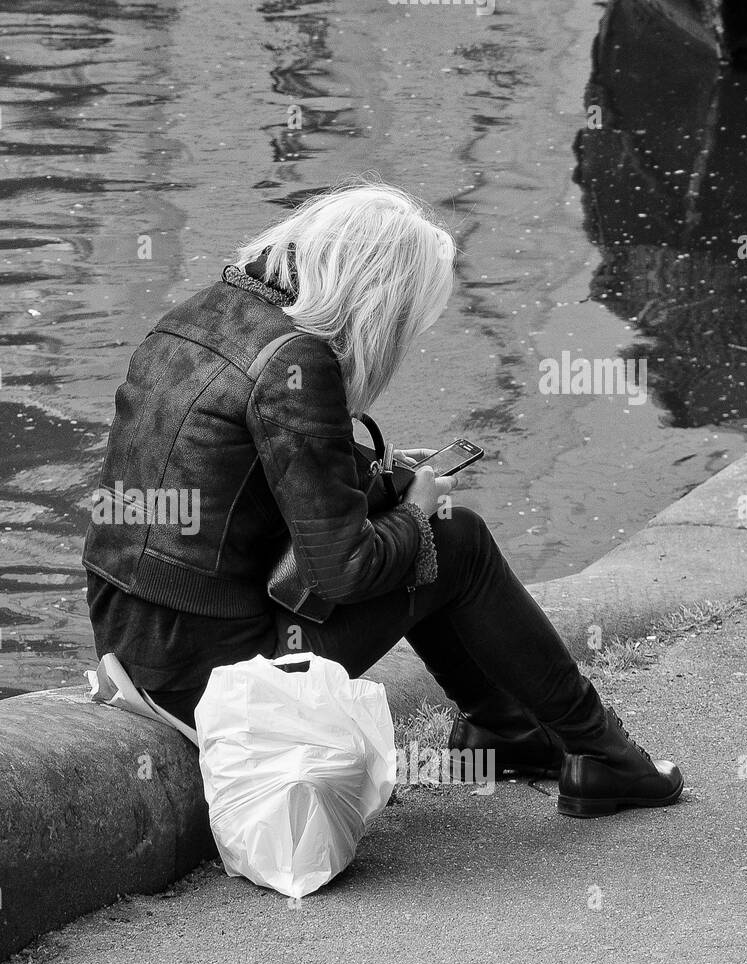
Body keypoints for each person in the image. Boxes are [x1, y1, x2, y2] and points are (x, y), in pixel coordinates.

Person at [82, 179, 682, 818]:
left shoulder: (201, 316)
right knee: (458, 540)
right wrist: (417, 507)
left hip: (131, 633)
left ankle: (507, 732)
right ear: (380, 301)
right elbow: (345, 570)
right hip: (215, 680)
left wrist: (378, 474)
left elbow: (237, 471)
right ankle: (601, 753)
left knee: (428, 533)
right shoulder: (299, 362)